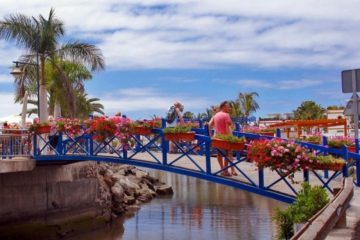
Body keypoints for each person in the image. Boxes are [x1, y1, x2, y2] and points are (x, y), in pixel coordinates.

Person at [208, 101, 236, 176]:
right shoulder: (226, 115)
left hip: (217, 138)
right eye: (228, 107)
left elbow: (209, 125)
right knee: (228, 153)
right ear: (223, 107)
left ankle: (223, 169)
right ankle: (225, 171)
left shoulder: (215, 115)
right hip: (225, 138)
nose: (229, 108)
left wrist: (211, 136)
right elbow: (230, 127)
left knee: (219, 154)